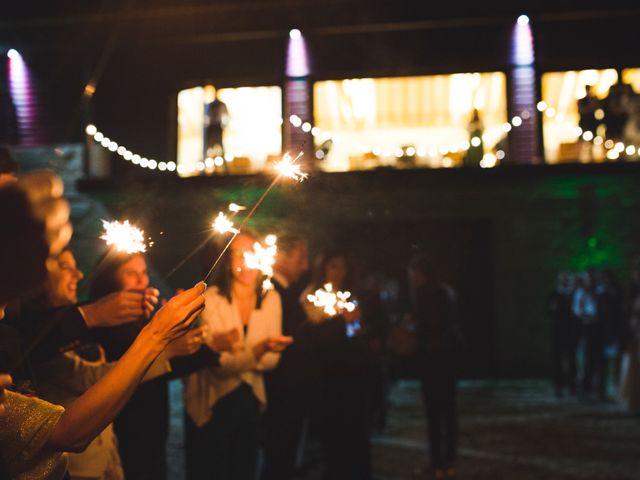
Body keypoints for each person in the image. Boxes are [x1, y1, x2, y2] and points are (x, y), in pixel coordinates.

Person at [0, 171, 206, 479]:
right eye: (61, 263)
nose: (76, 275)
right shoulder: (39, 330)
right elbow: (72, 422)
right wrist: (156, 337)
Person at [89, 250, 227, 480]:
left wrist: (188, 332)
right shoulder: (100, 327)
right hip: (125, 428)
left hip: (154, 427)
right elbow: (118, 375)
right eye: (131, 274)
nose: (142, 280)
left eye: (143, 272)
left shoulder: (142, 317)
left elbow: (168, 367)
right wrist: (168, 345)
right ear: (109, 278)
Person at [184, 232, 292, 480]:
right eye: (238, 255)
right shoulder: (212, 298)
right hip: (213, 403)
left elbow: (272, 361)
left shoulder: (271, 298)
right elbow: (219, 366)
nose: (245, 262)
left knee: (244, 468)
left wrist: (243, 354)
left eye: (252, 253)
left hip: (251, 399)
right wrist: (259, 349)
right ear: (227, 261)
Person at [26, 248, 125, 480]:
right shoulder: (33, 340)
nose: (79, 275)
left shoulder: (80, 331)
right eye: (64, 266)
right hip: (73, 468)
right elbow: (91, 378)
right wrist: (159, 344)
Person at [301, 249, 373, 480]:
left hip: (352, 373)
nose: (338, 272)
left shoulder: (349, 294)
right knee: (333, 435)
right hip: (328, 376)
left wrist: (359, 329)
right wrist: (341, 322)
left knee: (356, 432)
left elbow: (356, 330)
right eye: (333, 266)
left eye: (342, 266)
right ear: (323, 268)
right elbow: (314, 336)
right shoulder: (313, 295)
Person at [408, 253, 460, 479]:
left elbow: (425, 326)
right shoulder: (446, 292)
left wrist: (411, 328)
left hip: (433, 358)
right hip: (448, 358)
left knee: (435, 412)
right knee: (448, 411)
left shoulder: (424, 294)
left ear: (420, 274)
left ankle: (437, 462)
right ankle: (448, 461)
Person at [573, 270, 602, 399]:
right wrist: (586, 318)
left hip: (596, 328)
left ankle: (594, 387)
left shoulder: (597, 292)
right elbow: (577, 310)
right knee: (585, 358)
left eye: (591, 279)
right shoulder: (580, 293)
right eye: (587, 279)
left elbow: (600, 308)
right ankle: (584, 388)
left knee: (595, 358)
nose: (589, 281)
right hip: (585, 327)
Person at [548, 271, 578, 398]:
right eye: (563, 280)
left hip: (571, 331)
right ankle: (558, 387)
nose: (565, 282)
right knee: (557, 360)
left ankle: (572, 386)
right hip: (558, 331)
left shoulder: (574, 294)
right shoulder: (554, 294)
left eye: (567, 280)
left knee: (572, 359)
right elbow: (548, 311)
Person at [577, 85, 601, 160]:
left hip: (591, 123)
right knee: (582, 141)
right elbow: (581, 110)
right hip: (585, 122)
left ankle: (591, 156)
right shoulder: (581, 100)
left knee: (592, 141)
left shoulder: (593, 99)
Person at [204, 93, 229, 163]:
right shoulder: (209, 105)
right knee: (210, 146)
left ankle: (224, 165)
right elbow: (206, 116)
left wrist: (224, 125)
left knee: (220, 145)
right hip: (211, 127)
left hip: (218, 126)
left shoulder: (222, 104)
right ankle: (209, 163)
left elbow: (227, 115)